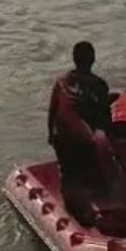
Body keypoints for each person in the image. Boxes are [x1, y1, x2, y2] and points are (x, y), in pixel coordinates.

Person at [47, 42, 112, 217]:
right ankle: (86, 212)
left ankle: (70, 209)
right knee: (84, 173)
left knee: (68, 173)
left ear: (74, 59)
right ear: (93, 60)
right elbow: (104, 118)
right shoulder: (99, 85)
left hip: (62, 137)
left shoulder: (61, 82)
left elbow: (52, 110)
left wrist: (50, 134)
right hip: (83, 139)